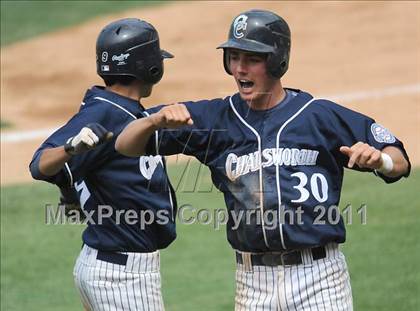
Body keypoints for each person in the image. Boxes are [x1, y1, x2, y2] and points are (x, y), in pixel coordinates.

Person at [115, 9, 411, 311]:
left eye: (252, 59)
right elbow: (125, 144)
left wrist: (381, 162)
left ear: (277, 61)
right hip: (253, 283)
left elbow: (398, 158)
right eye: (233, 57)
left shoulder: (317, 115)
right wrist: (152, 122)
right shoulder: (213, 119)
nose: (240, 69)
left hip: (320, 279)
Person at [29, 18, 176, 311]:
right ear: (150, 67)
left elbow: (77, 171)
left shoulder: (119, 110)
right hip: (121, 275)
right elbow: (39, 164)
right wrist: (71, 148)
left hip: (111, 266)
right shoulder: (106, 113)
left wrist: (69, 193)